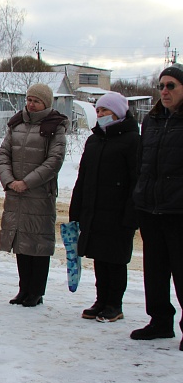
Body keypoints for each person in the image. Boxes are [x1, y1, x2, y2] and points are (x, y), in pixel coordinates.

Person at [68, 91, 139, 322]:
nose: (100, 115)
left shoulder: (132, 140)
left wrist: (131, 214)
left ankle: (114, 304)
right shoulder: (94, 140)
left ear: (117, 113)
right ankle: (101, 300)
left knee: (115, 260)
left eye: (105, 111)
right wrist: (76, 209)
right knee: (99, 257)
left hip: (118, 213)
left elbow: (136, 180)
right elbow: (83, 177)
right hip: (95, 210)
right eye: (98, 111)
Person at [0, 83, 68, 307]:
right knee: (20, 242)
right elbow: (4, 154)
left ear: (46, 103)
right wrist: (9, 181)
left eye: (36, 101)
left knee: (37, 243)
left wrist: (27, 183)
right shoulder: (16, 123)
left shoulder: (55, 126)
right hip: (15, 193)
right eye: (28, 99)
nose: (30, 104)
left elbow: (54, 161)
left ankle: (36, 291)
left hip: (39, 194)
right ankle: (23, 289)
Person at [131, 63, 183, 351]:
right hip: (151, 208)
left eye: (171, 86)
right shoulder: (151, 120)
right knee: (155, 270)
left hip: (178, 211)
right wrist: (139, 195)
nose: (165, 91)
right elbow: (142, 163)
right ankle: (160, 322)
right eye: (161, 86)